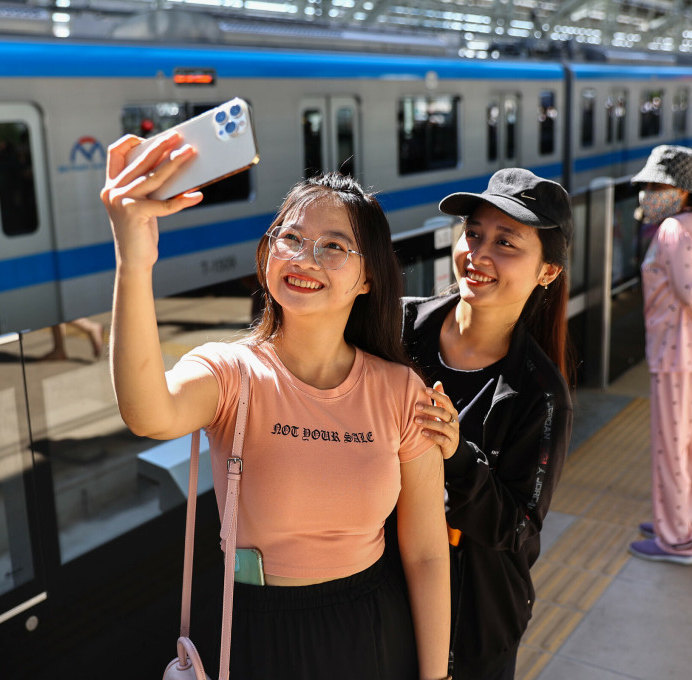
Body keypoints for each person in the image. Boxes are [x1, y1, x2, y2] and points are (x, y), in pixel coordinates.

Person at [100, 132, 451, 680]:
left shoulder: (401, 392)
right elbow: (149, 412)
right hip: (256, 631)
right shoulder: (231, 372)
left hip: (373, 630)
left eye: (334, 245)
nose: (305, 257)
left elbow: (428, 555)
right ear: (267, 256)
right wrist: (134, 261)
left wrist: (436, 679)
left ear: (369, 278)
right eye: (290, 237)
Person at [400, 168, 573, 680]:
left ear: (547, 272)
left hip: (472, 623)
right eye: (473, 233)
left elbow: (519, 529)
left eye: (506, 242)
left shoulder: (540, 395)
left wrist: (457, 455)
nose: (478, 253)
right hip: (381, 590)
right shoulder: (400, 329)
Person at [625, 145, 692, 565]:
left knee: (671, 448)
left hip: (677, 354)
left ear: (682, 190)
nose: (649, 194)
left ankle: (675, 540)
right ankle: (688, 521)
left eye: (657, 186)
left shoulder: (673, 228)